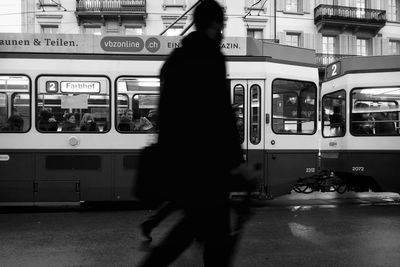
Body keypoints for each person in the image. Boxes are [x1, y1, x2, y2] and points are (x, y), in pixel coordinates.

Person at [137, 1, 257, 266]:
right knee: (212, 238)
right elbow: (219, 115)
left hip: (180, 165)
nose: (223, 30)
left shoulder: (174, 60)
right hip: (206, 169)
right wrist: (239, 165)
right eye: (222, 24)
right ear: (215, 23)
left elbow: (168, 117)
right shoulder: (210, 56)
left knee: (192, 229)